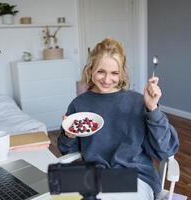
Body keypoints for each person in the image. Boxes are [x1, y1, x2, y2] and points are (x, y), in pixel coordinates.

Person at [58, 38, 179, 199]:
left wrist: (153, 109)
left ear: (121, 73)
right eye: (101, 71)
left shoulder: (137, 102)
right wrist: (69, 135)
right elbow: (68, 151)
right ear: (90, 69)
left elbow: (165, 150)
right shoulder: (79, 104)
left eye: (114, 73)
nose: (107, 80)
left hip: (135, 176)